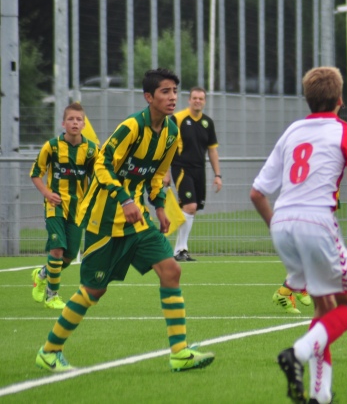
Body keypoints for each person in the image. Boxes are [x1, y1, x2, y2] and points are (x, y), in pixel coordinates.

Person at [34, 68, 215, 373]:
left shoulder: (172, 131)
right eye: (165, 92)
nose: (172, 98)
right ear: (149, 97)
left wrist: (158, 206)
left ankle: (180, 352)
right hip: (101, 220)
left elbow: (159, 174)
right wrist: (126, 198)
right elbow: (102, 165)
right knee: (93, 291)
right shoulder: (131, 127)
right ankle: (50, 351)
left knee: (171, 270)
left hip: (137, 220)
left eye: (174, 91)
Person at [250, 67, 347, 404]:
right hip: (317, 222)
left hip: (283, 224)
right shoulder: (344, 132)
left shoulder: (292, 131)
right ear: (340, 100)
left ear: (308, 98)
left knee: (324, 310)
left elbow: (257, 194)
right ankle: (297, 354)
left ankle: (320, 394)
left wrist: (277, 227)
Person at [29, 102, 98, 310]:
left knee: (68, 256)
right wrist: (47, 193)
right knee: (57, 250)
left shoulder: (92, 150)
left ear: (84, 124)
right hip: (55, 205)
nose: (75, 123)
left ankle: (41, 274)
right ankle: (52, 296)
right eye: (71, 119)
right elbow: (35, 174)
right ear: (63, 123)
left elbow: (99, 177)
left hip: (78, 209)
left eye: (78, 119)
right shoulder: (52, 146)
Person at [166, 86, 222, 262]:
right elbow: (167, 147)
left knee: (192, 209)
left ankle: (180, 250)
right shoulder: (177, 119)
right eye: (194, 98)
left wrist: (218, 175)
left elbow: (212, 151)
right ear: (189, 100)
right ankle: (179, 250)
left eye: (201, 98)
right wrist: (165, 173)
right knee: (189, 206)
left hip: (199, 170)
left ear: (204, 101)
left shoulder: (208, 123)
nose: (197, 101)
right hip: (181, 167)